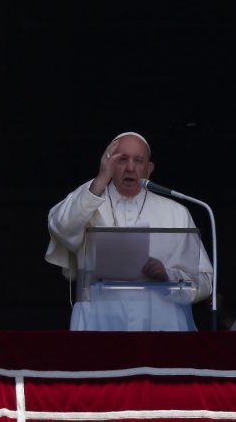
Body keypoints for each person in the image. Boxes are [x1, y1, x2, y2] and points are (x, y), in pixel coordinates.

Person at [46, 131, 213, 331]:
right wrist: (100, 179)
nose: (130, 168)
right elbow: (61, 228)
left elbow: (205, 281)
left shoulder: (176, 212)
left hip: (161, 325)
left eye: (138, 161)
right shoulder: (88, 199)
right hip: (98, 322)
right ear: (108, 163)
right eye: (122, 159)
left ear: (149, 169)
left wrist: (167, 276)